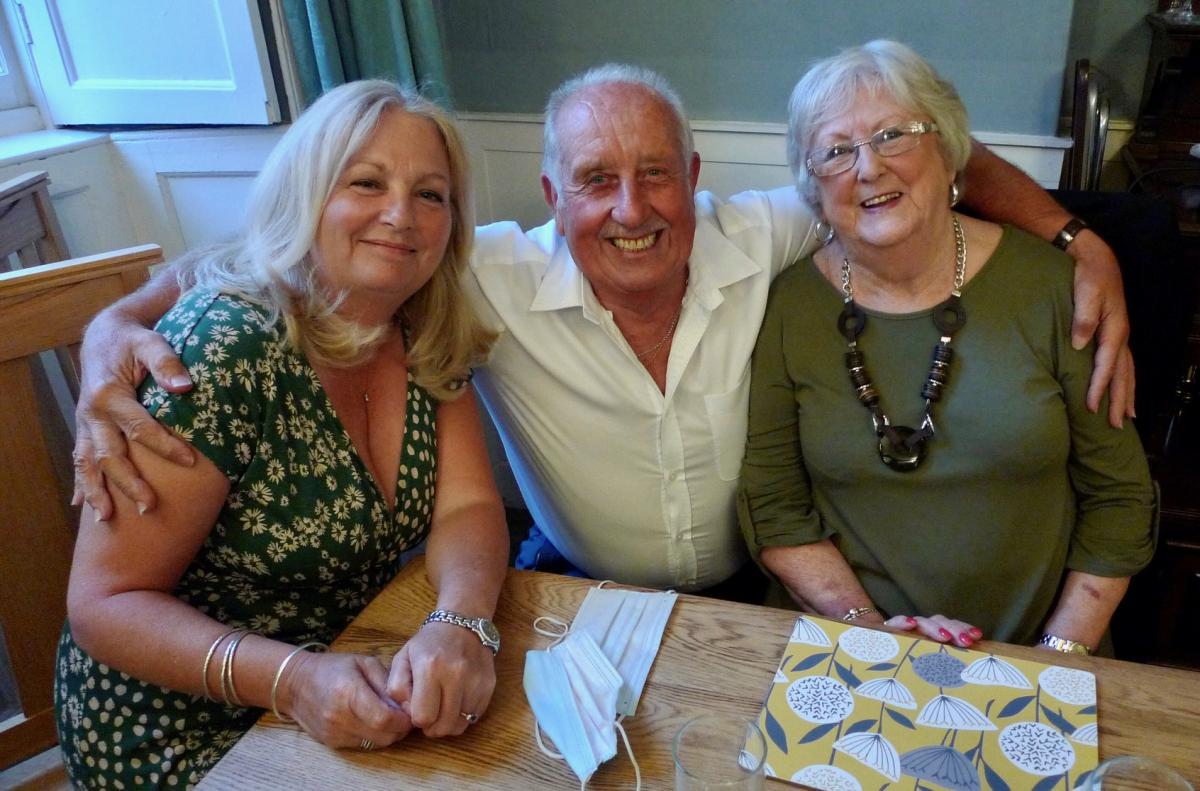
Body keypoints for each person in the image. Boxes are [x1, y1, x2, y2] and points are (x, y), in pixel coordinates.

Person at [74, 64, 1130, 636]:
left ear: (695, 176)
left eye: (656, 173)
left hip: (756, 593)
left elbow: (922, 158)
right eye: (594, 180)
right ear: (551, 193)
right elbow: (280, 252)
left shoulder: (769, 231)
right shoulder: (475, 267)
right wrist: (114, 322)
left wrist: (1079, 240)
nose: (632, 209)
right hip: (572, 594)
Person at [54, 80, 509, 789]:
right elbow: (105, 605)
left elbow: (468, 506)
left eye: (430, 194)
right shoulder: (222, 348)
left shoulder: (422, 328)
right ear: (306, 194)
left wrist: (462, 619)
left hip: (353, 675)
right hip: (180, 725)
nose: (401, 216)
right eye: (366, 182)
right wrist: (292, 680)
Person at [737, 40, 1155, 651]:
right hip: (847, 636)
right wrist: (871, 635)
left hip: (1038, 647)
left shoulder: (1056, 289)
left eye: (892, 136)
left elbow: (1120, 497)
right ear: (814, 186)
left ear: (949, 151)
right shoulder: (788, 305)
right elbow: (774, 504)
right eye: (836, 151)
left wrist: (1057, 656)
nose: (867, 168)